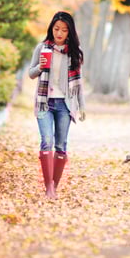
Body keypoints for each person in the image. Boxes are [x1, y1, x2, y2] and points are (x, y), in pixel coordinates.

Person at [28, 11, 86, 199]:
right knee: (47, 140)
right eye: (56, 29)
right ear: (51, 29)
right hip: (44, 102)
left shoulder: (74, 54)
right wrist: (41, 67)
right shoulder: (42, 48)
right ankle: (48, 188)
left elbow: (79, 83)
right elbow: (31, 73)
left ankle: (54, 184)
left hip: (65, 104)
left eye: (63, 30)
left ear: (69, 32)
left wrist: (81, 106)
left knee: (61, 145)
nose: (59, 33)